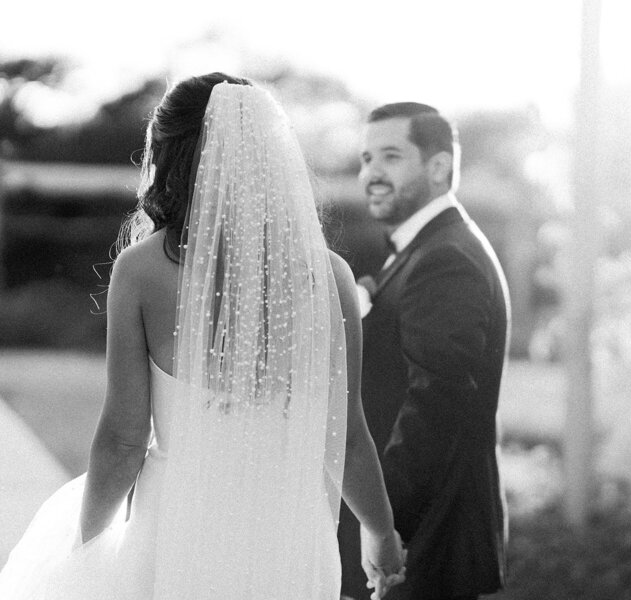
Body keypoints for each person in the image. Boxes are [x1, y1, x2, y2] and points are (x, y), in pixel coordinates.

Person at [0, 73, 405, 600]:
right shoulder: (328, 276)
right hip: (289, 540)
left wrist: (84, 546)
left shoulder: (142, 270)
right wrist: (381, 533)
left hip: (180, 532)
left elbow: (124, 441)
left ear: (168, 159)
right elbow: (347, 439)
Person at [337, 103, 510, 600]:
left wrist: (385, 525)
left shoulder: (445, 259)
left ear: (438, 167)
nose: (371, 173)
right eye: (367, 158)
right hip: (423, 541)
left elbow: (435, 407)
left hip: (427, 543)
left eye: (390, 157)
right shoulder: (426, 250)